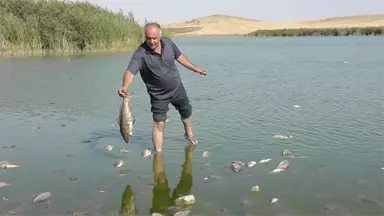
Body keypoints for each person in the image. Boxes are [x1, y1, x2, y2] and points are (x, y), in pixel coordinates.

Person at [118, 22, 206, 153]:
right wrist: (125, 86)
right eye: (148, 38)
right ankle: (158, 152)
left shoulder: (168, 43)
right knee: (159, 123)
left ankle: (189, 134)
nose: (151, 41)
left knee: (186, 113)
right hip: (158, 95)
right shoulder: (141, 53)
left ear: (160, 35)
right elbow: (130, 71)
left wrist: (194, 68)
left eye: (154, 38)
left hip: (177, 88)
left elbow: (180, 56)